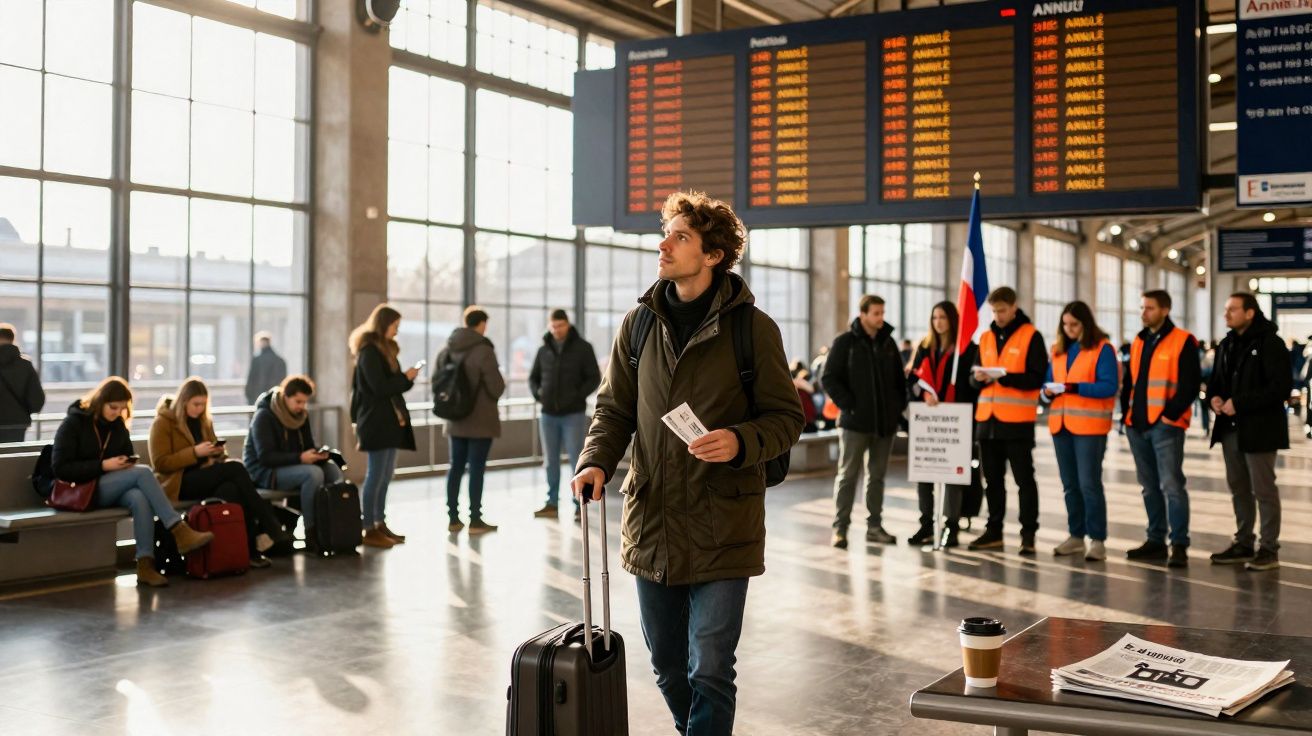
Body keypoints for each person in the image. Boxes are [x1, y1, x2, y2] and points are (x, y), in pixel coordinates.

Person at [572, 191, 803, 736]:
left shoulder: (752, 329)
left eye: (680, 237)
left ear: (714, 254)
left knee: (711, 668)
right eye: (666, 233)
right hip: (653, 518)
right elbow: (614, 408)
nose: (664, 245)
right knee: (669, 667)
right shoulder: (639, 324)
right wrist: (595, 461)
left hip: (725, 520)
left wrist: (740, 441)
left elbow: (785, 418)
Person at [52, 377, 214, 587]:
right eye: (113, 407)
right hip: (83, 489)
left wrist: (123, 463)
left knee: (139, 498)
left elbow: (128, 454)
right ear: (100, 402)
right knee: (144, 473)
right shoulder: (74, 423)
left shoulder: (118, 425)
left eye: (122, 408)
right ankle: (177, 528)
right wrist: (103, 465)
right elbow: (61, 468)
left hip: (110, 486)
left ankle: (145, 565)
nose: (117, 412)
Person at [148, 377, 290, 568]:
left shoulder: (203, 421)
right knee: (236, 468)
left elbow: (219, 455)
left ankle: (236, 553)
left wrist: (216, 455)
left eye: (203, 405)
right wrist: (194, 453)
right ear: (183, 402)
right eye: (195, 404)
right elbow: (160, 463)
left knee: (231, 490)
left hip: (204, 477)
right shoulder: (163, 423)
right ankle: (268, 526)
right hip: (178, 483)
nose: (199, 409)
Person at [1207, 293, 1291, 571]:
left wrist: (1239, 404)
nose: (1226, 314)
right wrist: (1215, 398)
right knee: (1239, 488)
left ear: (1250, 312)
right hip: (1230, 429)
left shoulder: (1271, 344)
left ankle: (1269, 548)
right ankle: (1243, 542)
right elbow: (1217, 382)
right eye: (1225, 309)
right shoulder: (1227, 344)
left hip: (1260, 429)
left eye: (1232, 309)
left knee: (1263, 490)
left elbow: (1280, 388)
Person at [821, 294, 908, 548]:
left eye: (882, 313)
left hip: (884, 425)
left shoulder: (888, 344)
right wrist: (849, 405)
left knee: (877, 477)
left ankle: (874, 527)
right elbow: (828, 378)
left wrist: (896, 409)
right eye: (876, 313)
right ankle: (840, 529)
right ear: (863, 315)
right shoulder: (845, 343)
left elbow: (898, 382)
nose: (881, 318)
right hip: (854, 425)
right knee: (848, 476)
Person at [1122, 290, 1199, 567]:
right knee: (1148, 486)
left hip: (1165, 426)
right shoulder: (1139, 341)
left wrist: (1169, 415)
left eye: (1150, 308)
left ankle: (1179, 544)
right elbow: (1130, 382)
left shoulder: (1183, 341)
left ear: (1165, 310)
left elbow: (1190, 384)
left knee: (1172, 486)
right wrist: (1126, 417)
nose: (1144, 313)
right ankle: (1155, 540)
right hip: (1137, 424)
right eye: (1142, 307)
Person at [969, 287, 1048, 555]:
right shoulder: (986, 337)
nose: (998, 315)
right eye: (994, 311)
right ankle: (994, 532)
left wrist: (1004, 377)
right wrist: (977, 378)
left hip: (1016, 423)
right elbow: (973, 378)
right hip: (987, 423)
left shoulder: (1031, 337)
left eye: (1002, 310)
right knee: (992, 481)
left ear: (1014, 307)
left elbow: (1036, 379)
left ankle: (1028, 534)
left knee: (1024, 480)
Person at [1041, 302, 1117, 562]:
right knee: (1070, 485)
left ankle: (1097, 540)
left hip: (1089, 428)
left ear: (1086, 323)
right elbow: (1047, 384)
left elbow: (1109, 386)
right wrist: (1046, 392)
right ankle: (1076, 536)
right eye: (1065, 324)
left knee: (1089, 484)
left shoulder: (1103, 349)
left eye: (1074, 324)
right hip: (1061, 425)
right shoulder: (1058, 350)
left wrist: (1074, 388)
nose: (1069, 329)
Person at [243, 374, 345, 553]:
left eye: (304, 402)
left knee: (332, 471)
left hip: (292, 466)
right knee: (313, 474)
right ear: (285, 396)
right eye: (298, 401)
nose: (301, 406)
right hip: (264, 471)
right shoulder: (264, 416)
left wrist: (318, 454)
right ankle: (310, 531)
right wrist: (301, 458)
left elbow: (307, 446)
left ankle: (331, 528)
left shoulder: (301, 416)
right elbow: (265, 457)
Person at [906, 301, 978, 548]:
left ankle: (951, 526)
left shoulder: (967, 350)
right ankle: (926, 523)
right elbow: (912, 381)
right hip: (928, 423)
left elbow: (972, 387)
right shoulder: (924, 349)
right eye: (934, 317)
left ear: (952, 320)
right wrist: (924, 395)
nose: (938, 322)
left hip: (955, 423)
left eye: (943, 317)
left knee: (953, 476)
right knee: (924, 475)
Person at [349, 304, 418, 549]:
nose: (397, 331)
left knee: (386, 475)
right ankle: (368, 527)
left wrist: (406, 379)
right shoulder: (369, 352)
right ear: (383, 324)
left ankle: (379, 522)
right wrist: (404, 378)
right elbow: (379, 387)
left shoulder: (385, 351)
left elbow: (393, 386)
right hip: (376, 422)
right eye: (394, 326)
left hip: (388, 422)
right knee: (375, 475)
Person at [528, 309, 600, 521]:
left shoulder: (583, 348)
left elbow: (594, 377)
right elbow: (534, 378)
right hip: (548, 414)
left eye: (560, 326)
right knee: (550, 461)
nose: (557, 330)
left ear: (567, 325)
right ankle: (551, 503)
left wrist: (577, 396)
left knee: (577, 460)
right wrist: (539, 395)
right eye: (553, 327)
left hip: (573, 414)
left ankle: (579, 503)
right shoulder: (544, 350)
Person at [440, 306, 506, 534]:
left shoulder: (447, 348)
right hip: (480, 420)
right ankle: (475, 520)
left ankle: (453, 518)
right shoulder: (483, 350)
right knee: (476, 469)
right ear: (482, 324)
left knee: (455, 467)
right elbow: (497, 387)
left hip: (455, 419)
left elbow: (436, 381)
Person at [0, 323, 44, 443]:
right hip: (17, 424)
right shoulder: (25, 365)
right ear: (12, 339)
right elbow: (37, 400)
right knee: (12, 459)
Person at [244, 332, 288, 405]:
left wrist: (249, 396)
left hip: (258, 397)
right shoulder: (280, 360)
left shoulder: (257, 360)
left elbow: (251, 380)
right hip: (275, 398)